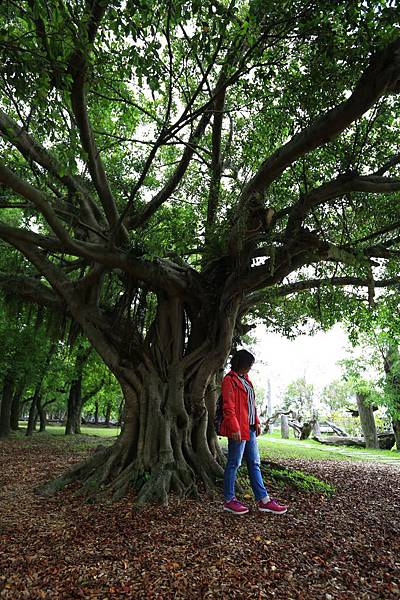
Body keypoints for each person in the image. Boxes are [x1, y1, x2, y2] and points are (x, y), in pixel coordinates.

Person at [219, 349, 288, 515]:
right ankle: (229, 500)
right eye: (248, 364)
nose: (250, 368)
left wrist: (256, 422)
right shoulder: (229, 380)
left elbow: (251, 404)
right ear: (240, 363)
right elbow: (228, 407)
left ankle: (264, 500)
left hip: (249, 428)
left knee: (255, 463)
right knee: (234, 463)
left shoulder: (246, 380)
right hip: (238, 429)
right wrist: (234, 427)